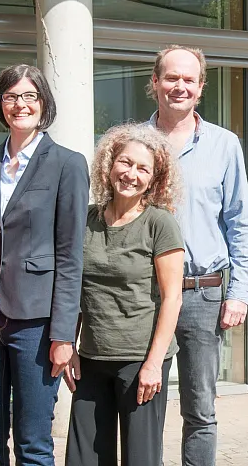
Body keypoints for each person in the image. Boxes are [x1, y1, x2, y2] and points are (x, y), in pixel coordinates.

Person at [0, 64, 89, 466]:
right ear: (0, 104)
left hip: (36, 324)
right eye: (11, 96)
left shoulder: (67, 164)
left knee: (34, 446)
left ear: (43, 103)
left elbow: (71, 256)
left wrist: (64, 334)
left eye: (30, 96)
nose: (21, 105)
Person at [147, 45, 248, 465]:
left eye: (189, 80)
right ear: (154, 83)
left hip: (202, 294)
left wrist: (240, 292)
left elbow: (241, 224)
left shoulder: (224, 145)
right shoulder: (133, 143)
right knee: (145, 401)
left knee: (200, 409)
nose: (180, 87)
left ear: (201, 88)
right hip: (147, 294)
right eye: (171, 78)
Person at [64, 123, 184, 466]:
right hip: (92, 356)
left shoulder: (159, 223)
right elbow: (74, 287)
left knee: (140, 459)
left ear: (154, 179)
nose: (131, 174)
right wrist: (69, 344)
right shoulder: (86, 219)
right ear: (109, 164)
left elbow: (172, 297)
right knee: (84, 457)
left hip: (139, 358)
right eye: (125, 163)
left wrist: (153, 365)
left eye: (142, 168)